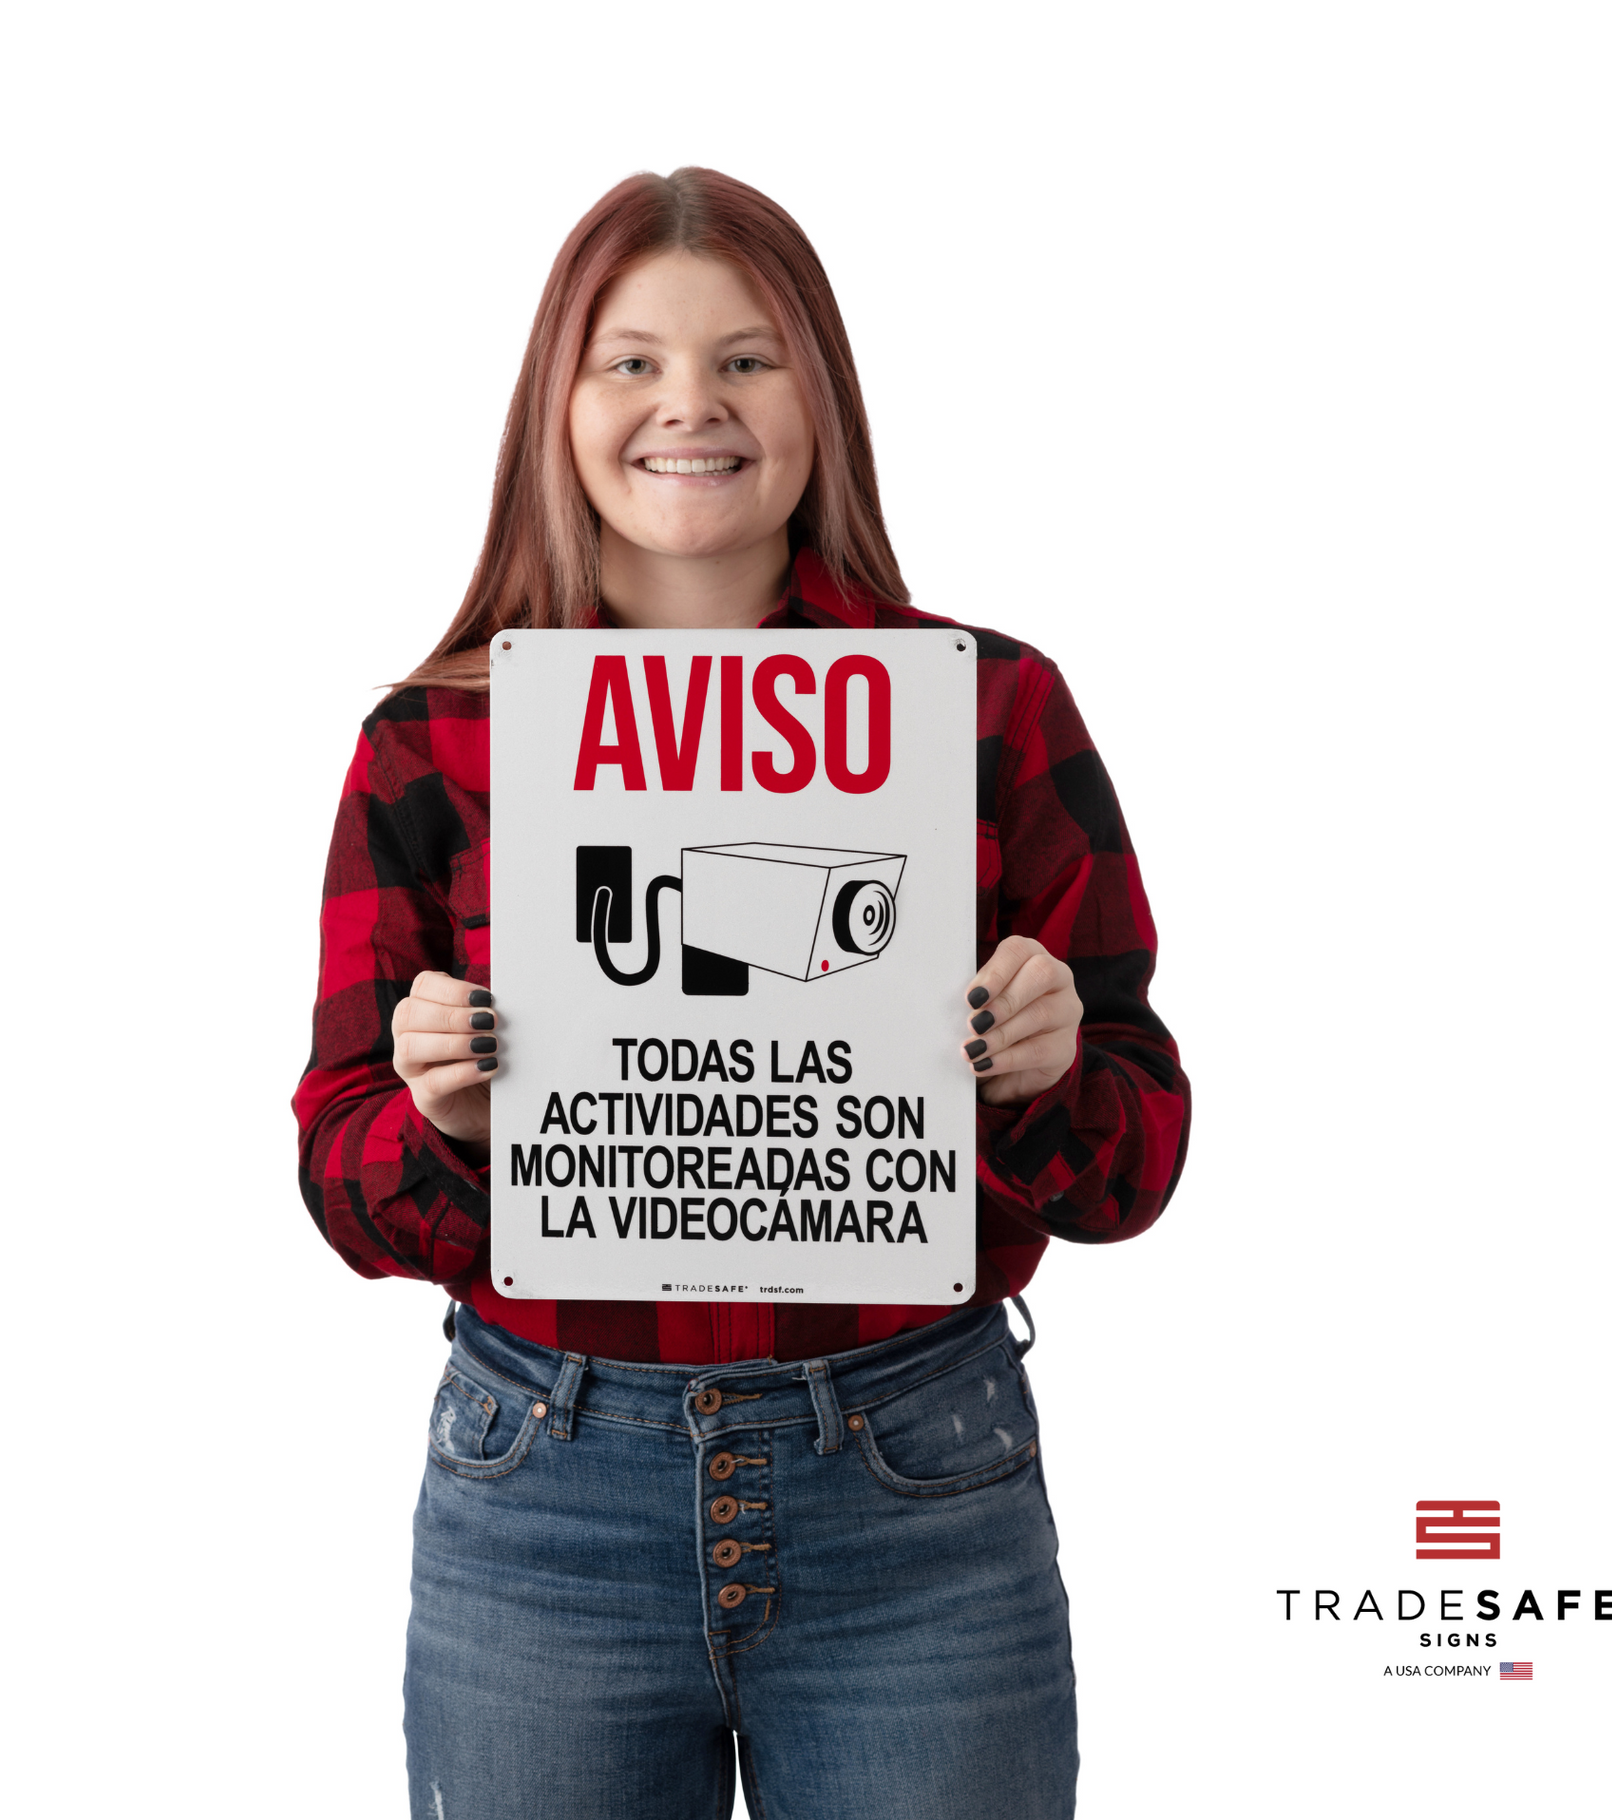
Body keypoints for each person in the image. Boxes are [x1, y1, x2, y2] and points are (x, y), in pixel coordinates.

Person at [293, 167, 1191, 1820]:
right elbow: (342, 1195)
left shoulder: (987, 710)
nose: (686, 404)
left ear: (819, 398)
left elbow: (1132, 1164)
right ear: (556, 404)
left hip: (916, 1480)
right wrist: (447, 1120)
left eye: (747, 358)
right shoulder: (435, 742)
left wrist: (1045, 1075)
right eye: (628, 359)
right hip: (547, 1492)